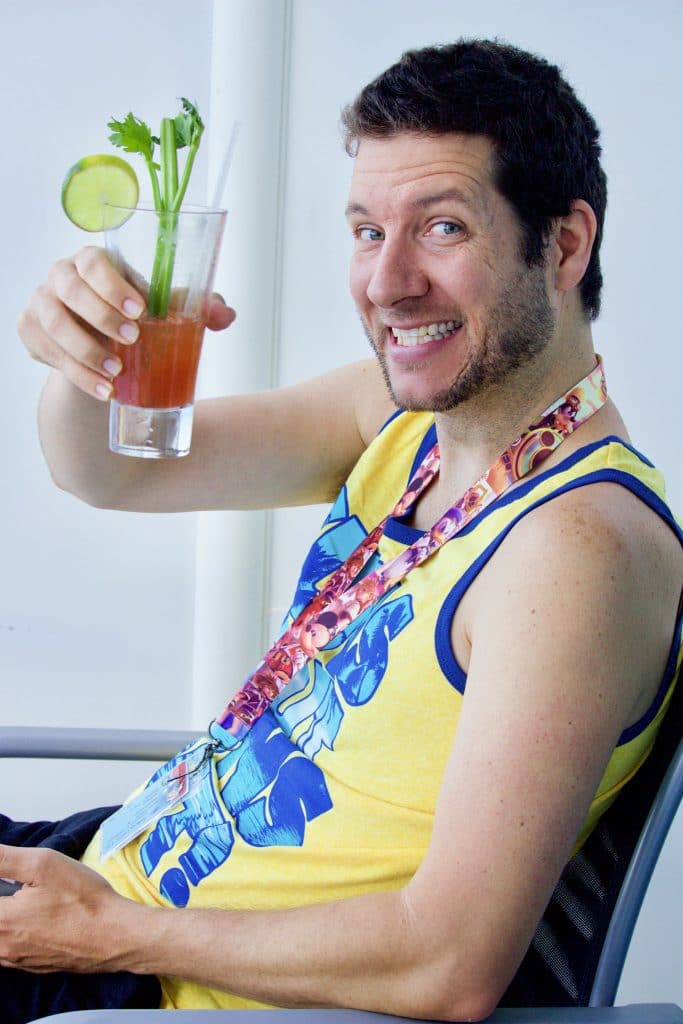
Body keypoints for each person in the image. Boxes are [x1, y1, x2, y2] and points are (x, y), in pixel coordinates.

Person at [5, 37, 682, 1024]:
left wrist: (107, 932)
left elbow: (447, 963)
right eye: (367, 230)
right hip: (112, 873)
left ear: (565, 245)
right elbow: (108, 470)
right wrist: (84, 356)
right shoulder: (401, 418)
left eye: (440, 227)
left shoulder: (573, 548)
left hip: (140, 984)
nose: (385, 281)